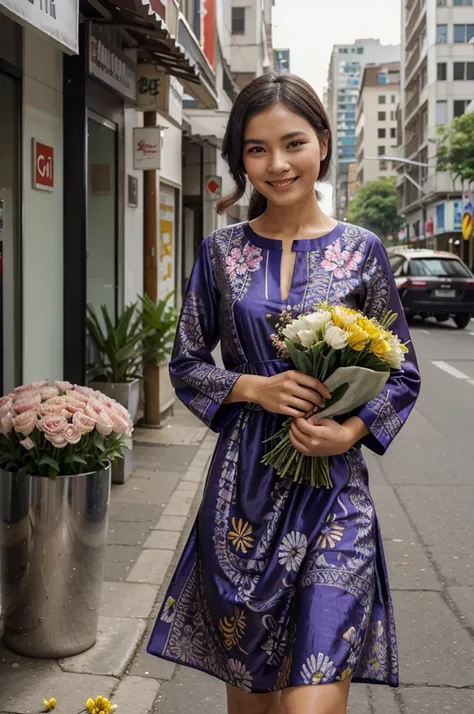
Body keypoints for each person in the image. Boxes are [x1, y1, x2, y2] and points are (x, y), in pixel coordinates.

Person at [147, 73, 421, 714]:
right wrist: (252, 387)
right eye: (256, 149)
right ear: (239, 159)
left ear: (322, 144)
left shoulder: (364, 252)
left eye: (292, 143)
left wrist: (351, 430)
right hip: (241, 502)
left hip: (334, 496)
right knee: (253, 702)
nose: (277, 164)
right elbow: (186, 364)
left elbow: (403, 372)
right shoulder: (220, 253)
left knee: (311, 700)